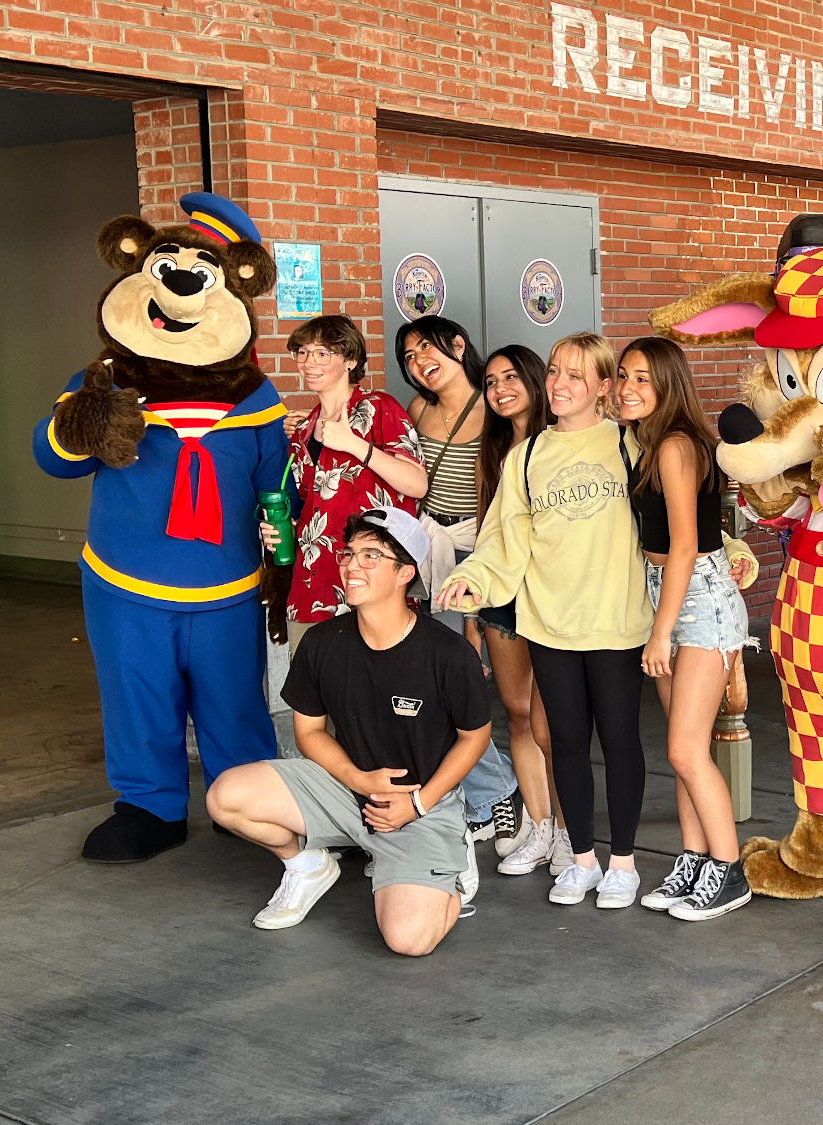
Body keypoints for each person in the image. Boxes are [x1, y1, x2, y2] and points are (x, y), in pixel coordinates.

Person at [206, 508, 489, 955]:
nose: (352, 566)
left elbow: (475, 737)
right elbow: (310, 733)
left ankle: (450, 861)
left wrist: (418, 803)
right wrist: (358, 780)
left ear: (405, 574)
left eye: (372, 556)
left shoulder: (447, 654)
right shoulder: (322, 643)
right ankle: (306, 866)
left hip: (419, 802)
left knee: (409, 941)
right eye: (349, 553)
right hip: (346, 789)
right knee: (226, 796)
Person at [437, 332, 655, 910]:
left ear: (605, 388)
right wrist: (474, 580)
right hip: (549, 624)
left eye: (576, 376)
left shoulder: (630, 445)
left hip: (617, 623)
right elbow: (503, 540)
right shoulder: (527, 455)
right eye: (555, 371)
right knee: (564, 741)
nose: (558, 383)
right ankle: (581, 859)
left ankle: (624, 865)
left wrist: (728, 551)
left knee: (620, 740)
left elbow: (673, 520)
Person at [612, 338, 752, 921]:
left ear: (670, 385)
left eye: (643, 379)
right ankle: (694, 860)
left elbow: (688, 545)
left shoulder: (674, 445)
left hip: (698, 600)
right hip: (668, 594)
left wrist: (660, 631)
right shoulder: (648, 443)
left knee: (686, 746)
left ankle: (729, 870)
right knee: (684, 747)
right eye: (622, 377)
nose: (626, 389)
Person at [394, 315, 521, 854]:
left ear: (458, 345)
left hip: (477, 555)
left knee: (454, 682)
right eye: (408, 357)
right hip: (426, 549)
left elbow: (500, 504)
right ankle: (493, 787)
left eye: (427, 348)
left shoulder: (492, 410)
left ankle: (498, 789)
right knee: (431, 682)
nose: (420, 361)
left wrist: (472, 614)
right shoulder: (417, 410)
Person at [469, 344, 572, 876]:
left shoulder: (563, 442)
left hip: (552, 593)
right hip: (502, 597)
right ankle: (539, 823)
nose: (500, 388)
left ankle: (567, 828)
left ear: (536, 381)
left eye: (511, 377)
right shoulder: (493, 448)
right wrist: (472, 614)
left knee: (550, 718)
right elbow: (488, 535)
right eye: (490, 381)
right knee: (516, 710)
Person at [269, 316, 426, 650]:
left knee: (371, 694)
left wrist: (353, 443)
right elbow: (314, 506)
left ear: (350, 360)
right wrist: (283, 529)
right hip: (313, 587)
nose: (308, 362)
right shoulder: (302, 431)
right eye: (303, 352)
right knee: (310, 693)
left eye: (322, 353)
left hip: (373, 585)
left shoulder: (379, 407)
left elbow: (416, 483)